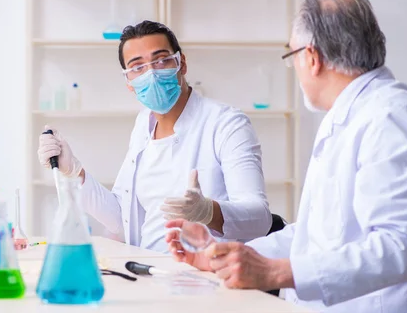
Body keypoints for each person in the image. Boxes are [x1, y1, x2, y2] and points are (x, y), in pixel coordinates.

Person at [167, 0, 407, 313]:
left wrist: (274, 272)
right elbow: (317, 233)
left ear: (312, 57)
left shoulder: (391, 121)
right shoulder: (352, 118)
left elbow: (397, 248)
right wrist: (223, 257)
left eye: (292, 56)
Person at [37, 20, 274, 252]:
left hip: (209, 275)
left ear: (181, 64)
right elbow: (121, 218)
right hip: (150, 270)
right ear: (128, 82)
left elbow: (260, 220)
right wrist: (75, 172)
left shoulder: (226, 124)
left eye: (161, 60)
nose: (151, 74)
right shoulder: (143, 125)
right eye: (138, 67)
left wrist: (209, 212)